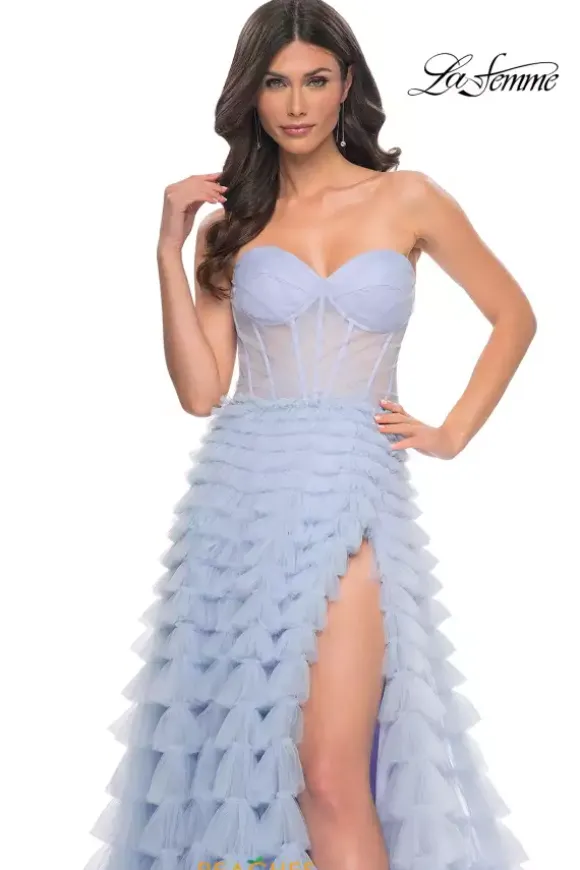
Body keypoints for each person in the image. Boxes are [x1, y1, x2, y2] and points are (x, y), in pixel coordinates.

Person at [84, 1, 536, 869]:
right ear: (251, 95)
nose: (296, 104)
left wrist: (452, 433)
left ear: (346, 85)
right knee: (250, 765)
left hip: (353, 483)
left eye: (316, 80)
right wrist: (169, 253)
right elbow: (201, 392)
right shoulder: (234, 225)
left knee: (329, 775)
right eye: (276, 82)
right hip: (239, 497)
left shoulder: (408, 197)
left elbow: (513, 315)